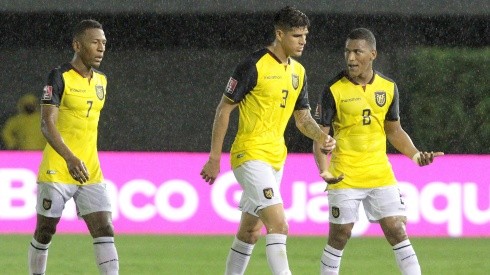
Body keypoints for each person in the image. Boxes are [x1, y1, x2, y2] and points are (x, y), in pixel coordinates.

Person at [200, 6, 336, 275]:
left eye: (305, 35)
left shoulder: (298, 72)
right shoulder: (253, 65)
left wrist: (322, 136)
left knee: (250, 231)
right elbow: (223, 109)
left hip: (276, 160)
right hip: (250, 156)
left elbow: (302, 119)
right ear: (279, 34)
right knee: (279, 225)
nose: (303, 41)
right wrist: (215, 158)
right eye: (297, 35)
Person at [313, 27, 444, 275]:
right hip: (345, 175)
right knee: (340, 235)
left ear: (372, 54)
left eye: (357, 52)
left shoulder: (388, 87)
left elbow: (394, 131)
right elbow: (320, 136)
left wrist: (415, 154)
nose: (351, 58)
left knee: (397, 229)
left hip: (379, 173)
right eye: (347, 51)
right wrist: (325, 170)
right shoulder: (333, 89)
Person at [27, 19, 119, 275]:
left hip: (90, 170)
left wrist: (81, 160)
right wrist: (69, 158)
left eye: (104, 43)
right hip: (59, 167)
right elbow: (47, 124)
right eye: (95, 43)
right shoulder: (59, 76)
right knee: (45, 231)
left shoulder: (102, 80)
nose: (101, 48)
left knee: (104, 229)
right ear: (77, 45)